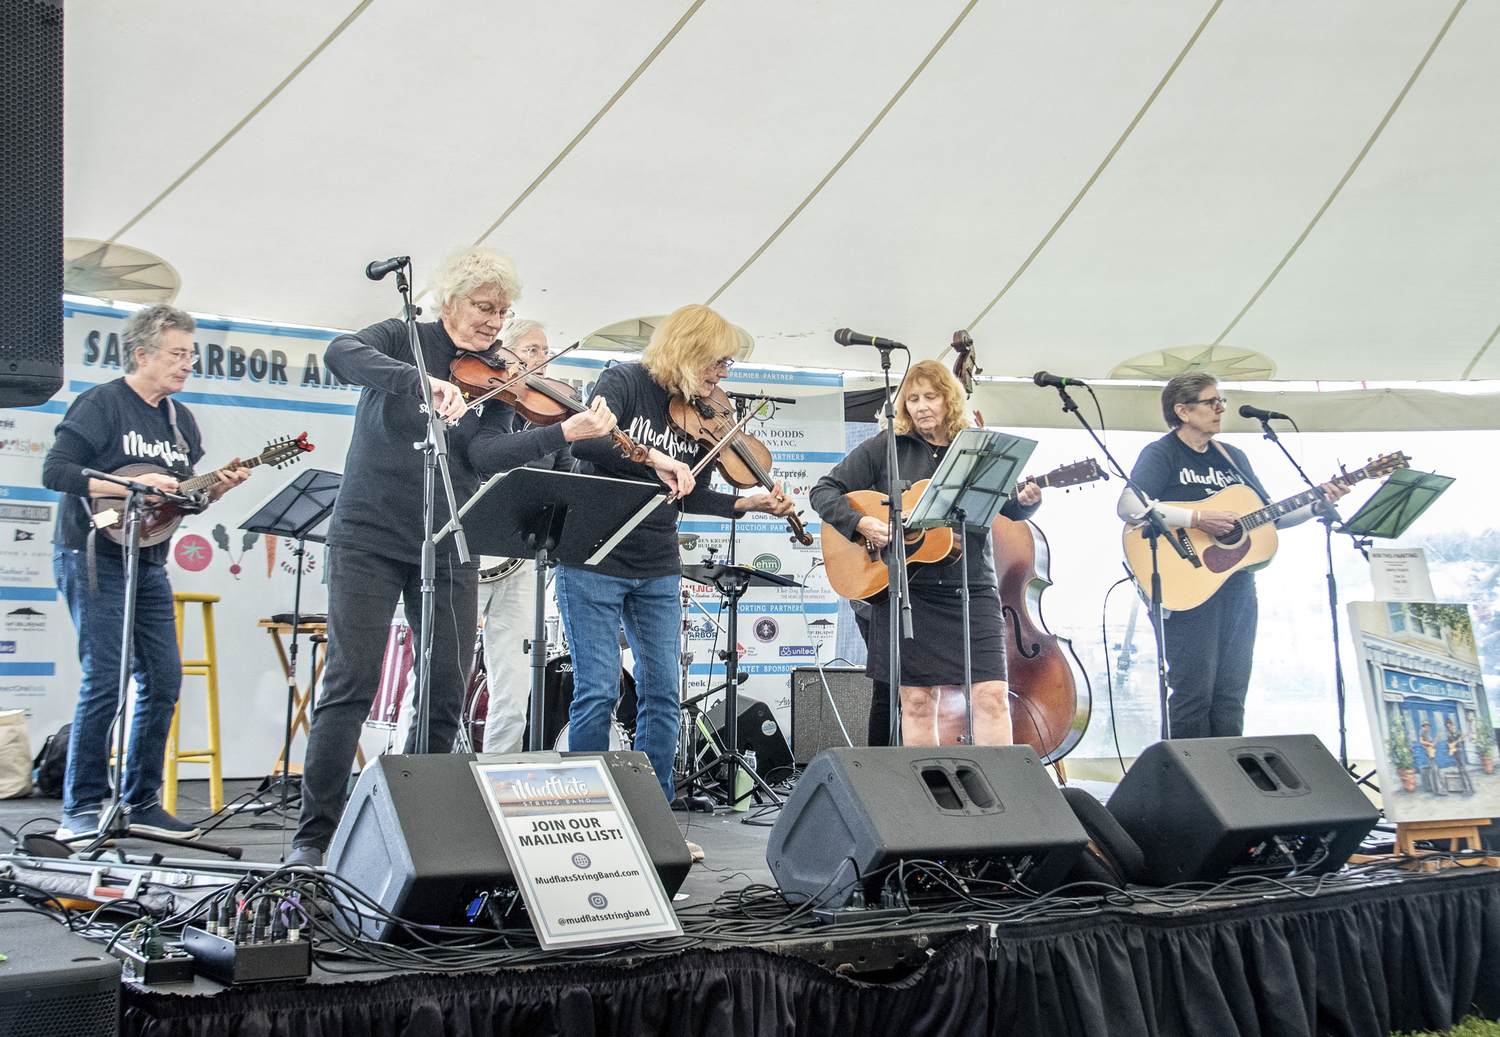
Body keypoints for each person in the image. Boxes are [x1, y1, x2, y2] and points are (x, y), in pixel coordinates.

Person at [286, 248, 616, 868]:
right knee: (350, 683)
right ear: (449, 302)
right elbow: (340, 352)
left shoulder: (494, 374)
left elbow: (484, 455)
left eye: (503, 310)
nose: (495, 321)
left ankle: (415, 827)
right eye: (484, 307)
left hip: (448, 537)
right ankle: (314, 837)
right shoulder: (400, 337)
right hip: (369, 534)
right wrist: (421, 380)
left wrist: (562, 435)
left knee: (444, 687)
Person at [556, 304, 796, 806]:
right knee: (598, 692)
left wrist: (744, 503)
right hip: (592, 555)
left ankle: (655, 815)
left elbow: (689, 492)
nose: (724, 374)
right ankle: (589, 812)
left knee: (662, 693)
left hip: (655, 562)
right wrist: (656, 457)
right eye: (717, 363)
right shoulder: (623, 380)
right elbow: (588, 444)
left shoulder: (699, 411)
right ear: (688, 353)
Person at [44, 304, 251, 842]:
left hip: (148, 562)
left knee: (162, 681)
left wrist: (211, 490)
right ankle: (82, 808)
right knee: (105, 683)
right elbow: (57, 472)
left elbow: (178, 502)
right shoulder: (102, 404)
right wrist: (133, 487)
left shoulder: (180, 424)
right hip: (92, 554)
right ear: (142, 354)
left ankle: (140, 802)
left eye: (191, 355)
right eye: (177, 354)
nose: (187, 365)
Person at [810, 360, 1041, 746]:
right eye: (912, 399)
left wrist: (1029, 501)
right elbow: (824, 491)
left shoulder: (975, 449)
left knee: (992, 697)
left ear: (949, 400)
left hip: (971, 589)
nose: (921, 407)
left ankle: (1002, 795)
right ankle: (930, 797)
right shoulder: (885, 447)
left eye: (930, 397)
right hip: (907, 593)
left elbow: (1010, 506)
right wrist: (860, 523)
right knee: (917, 701)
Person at [1117, 372, 1349, 739]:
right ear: (1183, 410)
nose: (1220, 408)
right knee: (1194, 692)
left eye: (1220, 400)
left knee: (1230, 693)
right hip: (1186, 584)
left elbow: (1269, 516)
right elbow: (1130, 505)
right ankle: (1189, 787)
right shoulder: (1162, 453)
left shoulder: (1233, 457)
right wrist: (1197, 518)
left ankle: (1229, 785)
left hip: (1238, 584)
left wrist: (1315, 505)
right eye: (1211, 401)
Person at [475, 318, 573, 755]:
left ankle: (499, 771)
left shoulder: (554, 415)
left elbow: (566, 480)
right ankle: (406, 770)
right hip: (467, 554)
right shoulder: (482, 401)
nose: (543, 359)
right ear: (506, 354)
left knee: (514, 681)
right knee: (436, 672)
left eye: (547, 351)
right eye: (533, 349)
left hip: (520, 560)